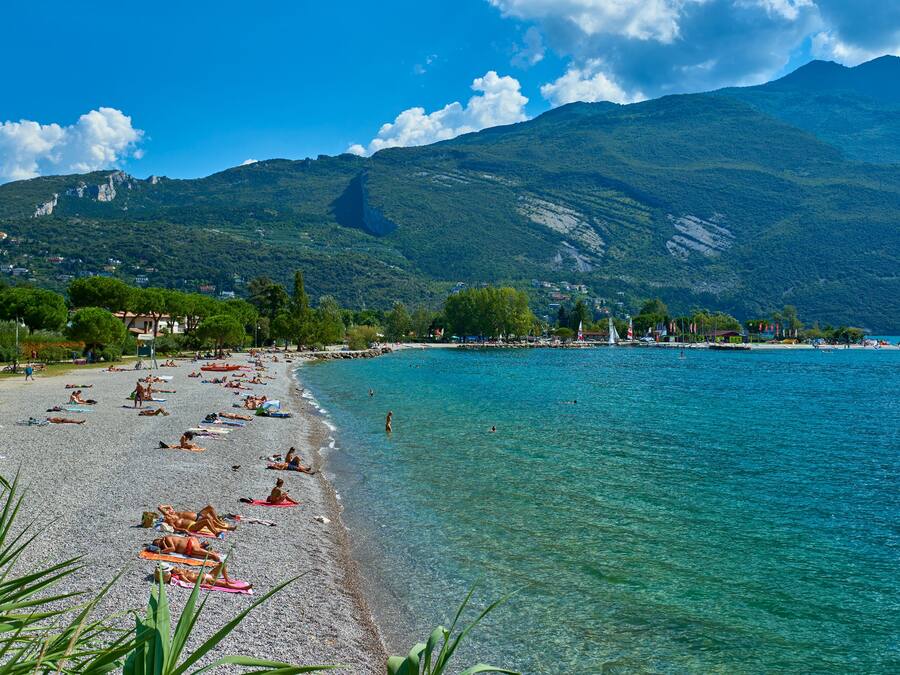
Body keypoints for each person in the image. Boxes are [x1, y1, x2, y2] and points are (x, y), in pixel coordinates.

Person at [157, 505, 232, 535]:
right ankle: (217, 531)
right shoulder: (171, 519)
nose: (170, 511)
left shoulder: (173, 513)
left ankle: (221, 527)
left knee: (210, 510)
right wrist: (184, 530)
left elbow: (167, 507)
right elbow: (175, 528)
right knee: (207, 520)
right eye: (167, 512)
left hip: (194, 522)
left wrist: (165, 507)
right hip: (191, 527)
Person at [169, 562, 250, 590]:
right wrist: (203, 586)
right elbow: (190, 584)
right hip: (206, 580)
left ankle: (227, 579)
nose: (177, 568)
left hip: (209, 575)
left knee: (222, 564)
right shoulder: (181, 576)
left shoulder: (183, 571)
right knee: (226, 585)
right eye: (175, 568)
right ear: (174, 573)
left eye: (176, 567)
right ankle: (242, 588)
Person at [150, 535, 223, 562]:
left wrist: (160, 552)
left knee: (195, 550)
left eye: (158, 542)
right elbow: (169, 550)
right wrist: (163, 545)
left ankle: (213, 555)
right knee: (194, 556)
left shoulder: (167, 538)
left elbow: (172, 549)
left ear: (160, 539)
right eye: (158, 545)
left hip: (189, 542)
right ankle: (211, 555)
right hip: (187, 550)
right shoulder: (165, 544)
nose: (159, 545)